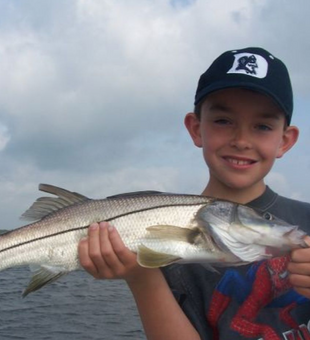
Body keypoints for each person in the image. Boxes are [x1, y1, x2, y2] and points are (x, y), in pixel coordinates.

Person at [78, 47, 310, 340]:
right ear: (196, 128)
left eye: (262, 126)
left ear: (285, 141)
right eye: (223, 121)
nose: (241, 140)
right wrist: (141, 277)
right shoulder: (156, 246)